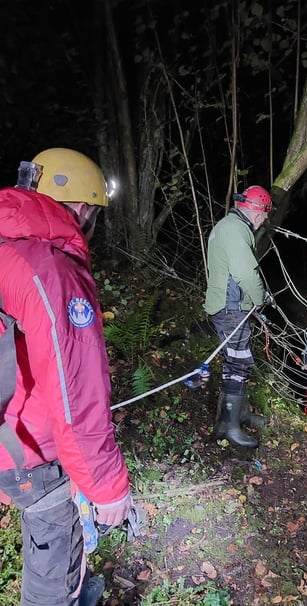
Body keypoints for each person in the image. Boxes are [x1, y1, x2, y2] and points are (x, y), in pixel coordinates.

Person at [0, 148, 132, 606]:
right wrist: (107, 484)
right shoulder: (49, 267)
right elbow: (76, 388)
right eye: (92, 211)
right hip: (31, 447)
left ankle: (79, 585)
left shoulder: (7, 244)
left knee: (60, 536)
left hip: (10, 430)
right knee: (51, 554)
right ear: (80, 207)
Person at [204, 185, 274, 448]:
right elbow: (245, 273)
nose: (264, 221)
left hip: (233, 306)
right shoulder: (235, 229)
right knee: (237, 363)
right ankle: (229, 426)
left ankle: (238, 415)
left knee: (238, 363)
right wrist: (260, 299)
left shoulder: (232, 226)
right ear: (257, 211)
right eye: (264, 215)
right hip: (230, 307)